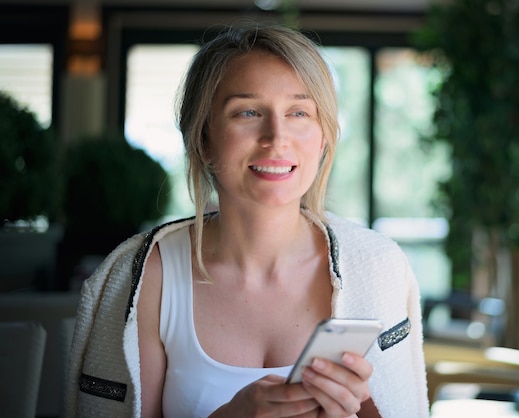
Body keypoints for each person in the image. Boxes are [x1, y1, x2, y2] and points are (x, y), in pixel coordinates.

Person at [65, 21, 429, 418]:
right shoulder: (146, 278)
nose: (276, 137)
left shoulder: (377, 268)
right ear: (203, 139)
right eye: (248, 112)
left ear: (323, 137)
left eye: (299, 112)